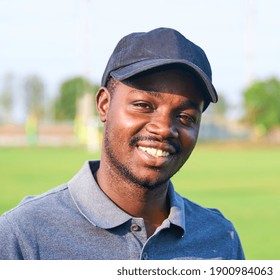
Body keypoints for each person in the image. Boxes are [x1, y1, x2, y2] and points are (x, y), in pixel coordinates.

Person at [0, 27, 245, 260]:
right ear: (104, 105)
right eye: (143, 106)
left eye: (185, 117)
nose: (164, 128)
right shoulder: (23, 235)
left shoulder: (220, 237)